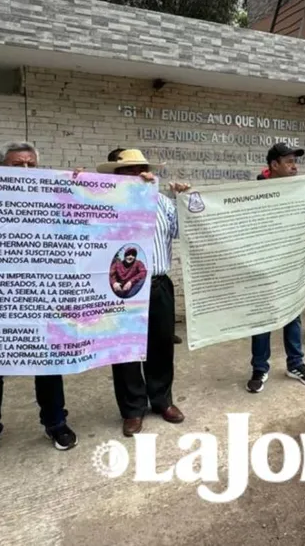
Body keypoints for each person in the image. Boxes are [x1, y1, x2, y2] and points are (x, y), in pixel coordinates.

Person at [0, 142, 79, 474]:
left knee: (47, 361)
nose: (25, 171)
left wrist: (89, 187)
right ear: (0, 168)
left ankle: (55, 422)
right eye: (17, 165)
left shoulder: (51, 203)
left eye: (31, 166)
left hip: (40, 296)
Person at [96, 149, 190, 436]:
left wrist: (185, 201)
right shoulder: (107, 204)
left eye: (139, 169)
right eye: (127, 171)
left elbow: (182, 231)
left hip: (158, 284)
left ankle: (162, 400)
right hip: (121, 287)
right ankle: (132, 409)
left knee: (160, 347)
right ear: (116, 176)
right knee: (124, 350)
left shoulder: (162, 202)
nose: (135, 175)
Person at [246, 143, 305, 391]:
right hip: (263, 263)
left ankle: (296, 364)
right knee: (262, 318)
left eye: (296, 161)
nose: (295, 166)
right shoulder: (256, 189)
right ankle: (260, 368)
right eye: (289, 161)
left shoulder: (303, 187)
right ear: (274, 165)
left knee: (292, 314)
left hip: (291, 263)